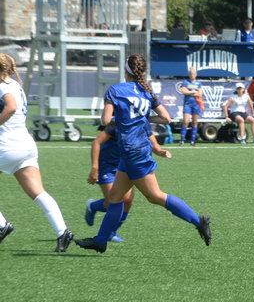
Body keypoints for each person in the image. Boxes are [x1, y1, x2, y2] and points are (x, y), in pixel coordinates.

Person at [75, 54, 211, 253]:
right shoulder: (146, 91)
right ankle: (101, 240)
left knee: (155, 196)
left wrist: (123, 119)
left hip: (132, 151)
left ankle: (198, 221)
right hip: (135, 151)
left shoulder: (115, 90)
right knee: (115, 198)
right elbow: (166, 118)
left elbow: (105, 120)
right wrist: (143, 118)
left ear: (126, 71)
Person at [0, 53, 73, 252]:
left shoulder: (3, 87)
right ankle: (63, 232)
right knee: (38, 192)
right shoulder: (15, 85)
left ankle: (2, 226)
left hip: (6, 146)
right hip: (25, 145)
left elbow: (11, 107)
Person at [85, 123, 172, 242]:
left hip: (126, 165)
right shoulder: (117, 123)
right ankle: (92, 207)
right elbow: (96, 142)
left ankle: (112, 232)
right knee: (113, 202)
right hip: (107, 166)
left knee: (127, 200)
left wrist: (160, 151)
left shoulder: (141, 121)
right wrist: (95, 168)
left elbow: (154, 141)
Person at [179, 67, 203, 146]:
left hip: (196, 104)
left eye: (194, 74)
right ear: (189, 74)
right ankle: (182, 140)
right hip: (187, 105)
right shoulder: (185, 82)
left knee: (194, 122)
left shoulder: (198, 83)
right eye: (191, 74)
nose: (192, 75)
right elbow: (184, 91)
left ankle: (193, 141)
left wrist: (190, 92)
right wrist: (193, 92)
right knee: (186, 122)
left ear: (196, 74)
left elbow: (200, 94)